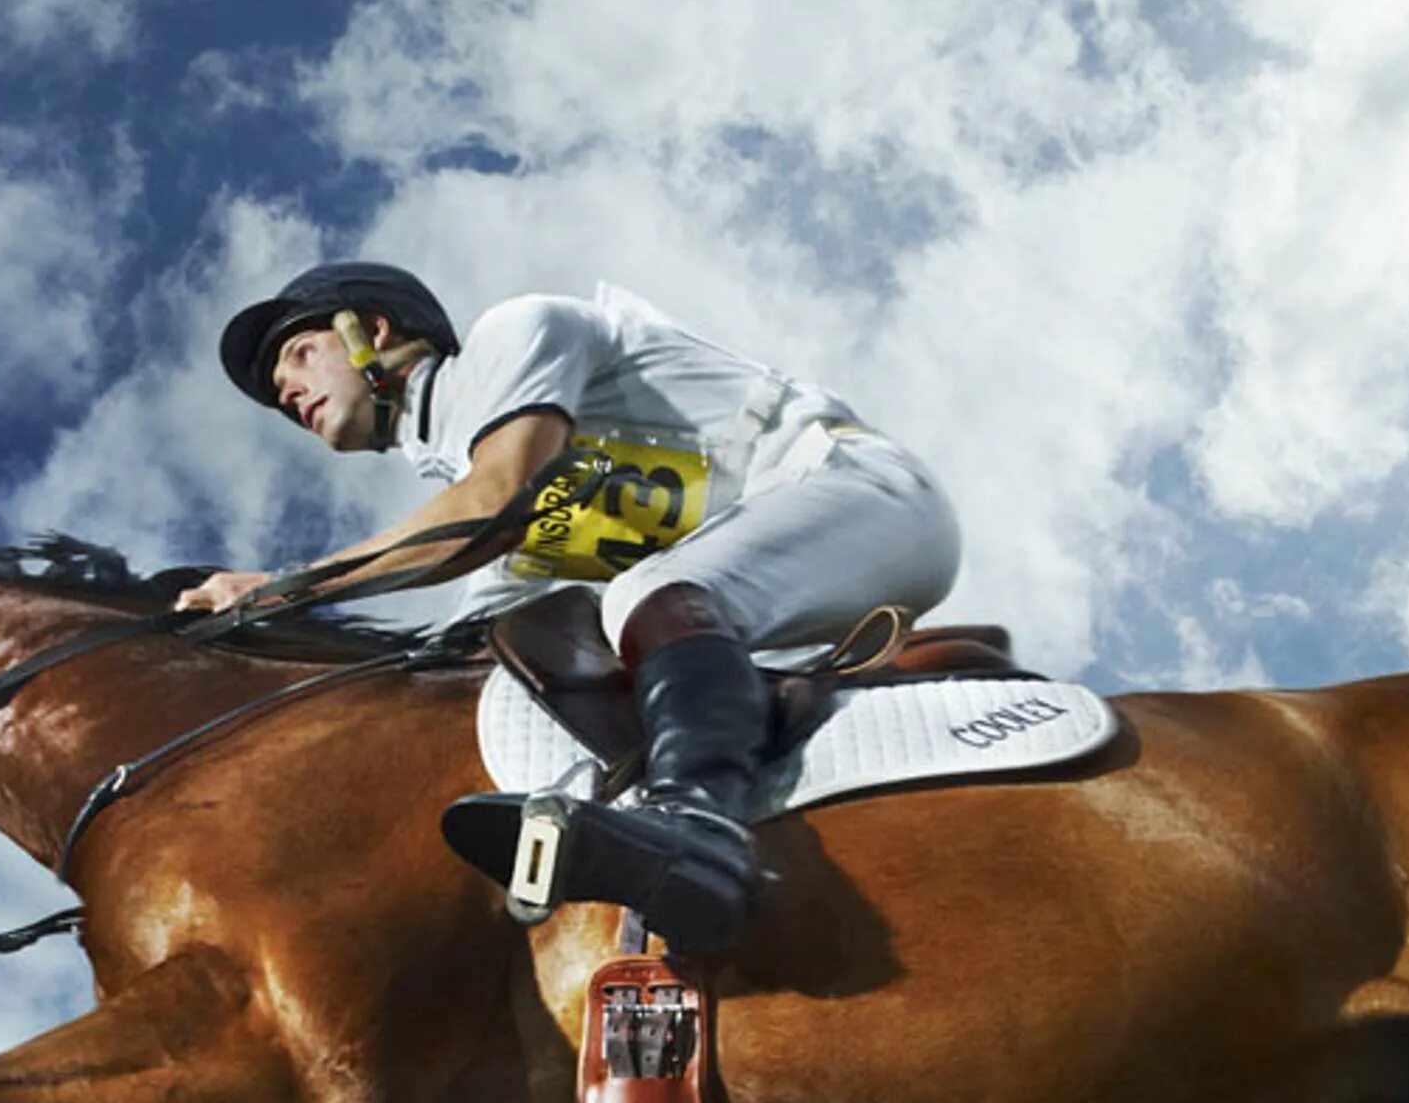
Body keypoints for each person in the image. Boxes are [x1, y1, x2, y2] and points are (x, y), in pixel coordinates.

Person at [178, 260, 961, 951]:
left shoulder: (518, 330)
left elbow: (486, 503)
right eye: (282, 389)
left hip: (863, 494)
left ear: (371, 330)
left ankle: (703, 834)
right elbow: (455, 654)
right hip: (774, 595)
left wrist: (279, 590)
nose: (286, 390)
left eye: (298, 353)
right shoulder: (500, 502)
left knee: (642, 595)